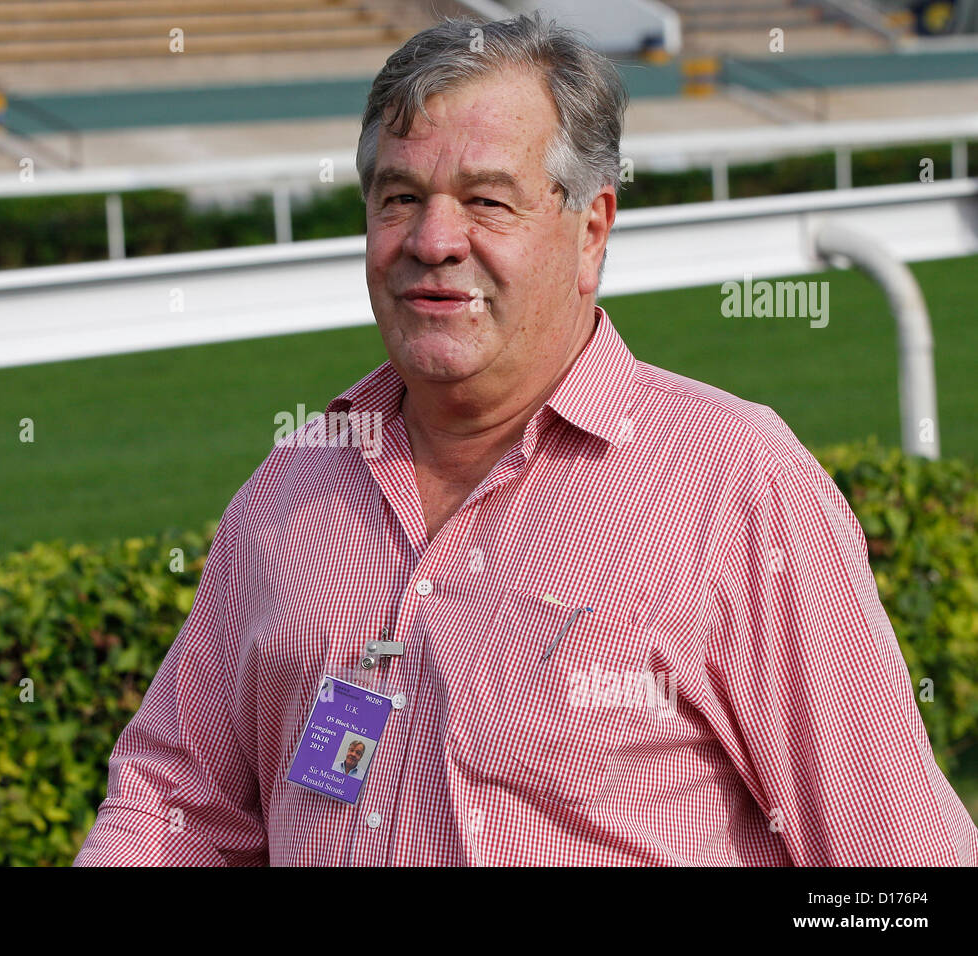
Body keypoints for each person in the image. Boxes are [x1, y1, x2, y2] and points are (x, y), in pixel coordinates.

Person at [75, 13, 978, 866]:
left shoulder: (735, 484)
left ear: (591, 231)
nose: (433, 240)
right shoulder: (291, 487)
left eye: (486, 202)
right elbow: (176, 800)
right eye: (400, 198)